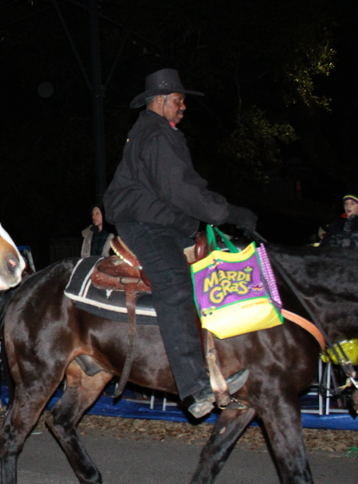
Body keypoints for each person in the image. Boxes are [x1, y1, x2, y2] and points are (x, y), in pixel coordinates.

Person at [103, 68, 258, 418]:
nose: (183, 106)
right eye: (178, 100)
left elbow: (186, 190)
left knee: (214, 278)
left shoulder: (162, 134)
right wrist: (229, 213)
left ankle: (221, 366)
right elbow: (180, 191)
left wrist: (219, 213)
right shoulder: (154, 135)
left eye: (183, 101)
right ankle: (194, 388)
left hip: (167, 222)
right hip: (145, 224)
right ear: (159, 101)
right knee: (174, 287)